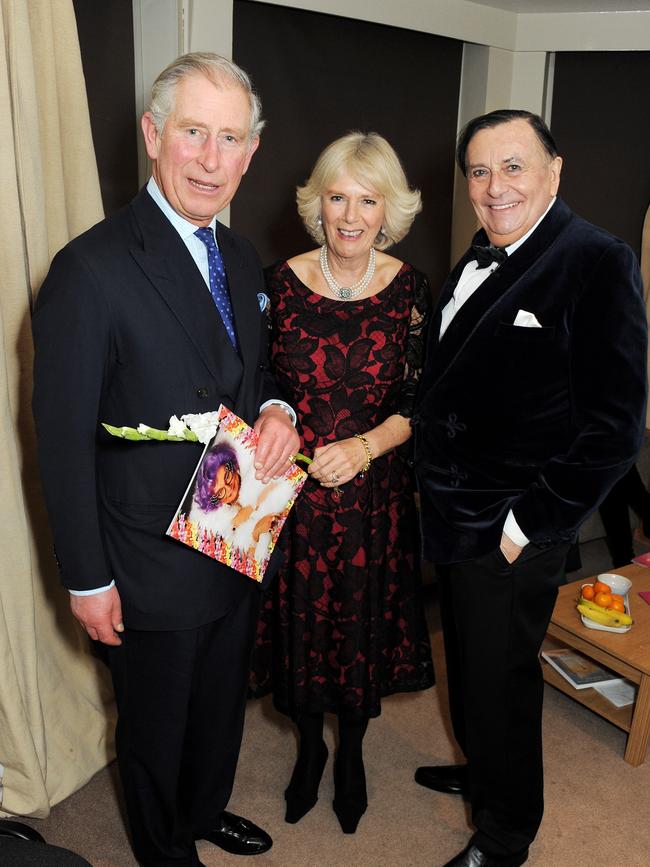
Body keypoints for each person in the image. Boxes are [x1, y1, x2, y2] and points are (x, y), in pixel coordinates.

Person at [32, 52, 299, 867]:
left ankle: (201, 810)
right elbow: (61, 436)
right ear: (153, 135)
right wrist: (87, 576)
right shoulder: (89, 268)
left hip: (236, 537)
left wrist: (279, 407)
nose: (212, 160)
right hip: (146, 554)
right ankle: (165, 848)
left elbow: (254, 373)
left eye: (231, 138)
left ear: (252, 151)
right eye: (193, 133)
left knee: (220, 708)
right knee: (155, 724)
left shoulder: (244, 256)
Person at [413, 109, 646, 867]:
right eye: (479, 171)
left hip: (513, 527)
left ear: (554, 170)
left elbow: (614, 429)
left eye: (513, 166)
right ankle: (485, 771)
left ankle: (505, 832)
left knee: (502, 681)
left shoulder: (596, 259)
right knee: (471, 669)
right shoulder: (478, 256)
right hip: (453, 514)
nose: (494, 186)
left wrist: (523, 526)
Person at [250, 132, 435, 834]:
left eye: (367, 199)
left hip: (373, 501)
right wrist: (281, 416)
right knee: (297, 631)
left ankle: (351, 753)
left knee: (360, 631)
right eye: (337, 197)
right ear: (317, 204)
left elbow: (421, 400)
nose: (350, 215)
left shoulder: (414, 289)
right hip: (292, 500)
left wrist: (362, 447)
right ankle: (308, 752)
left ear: (388, 209)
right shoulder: (274, 283)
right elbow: (261, 380)